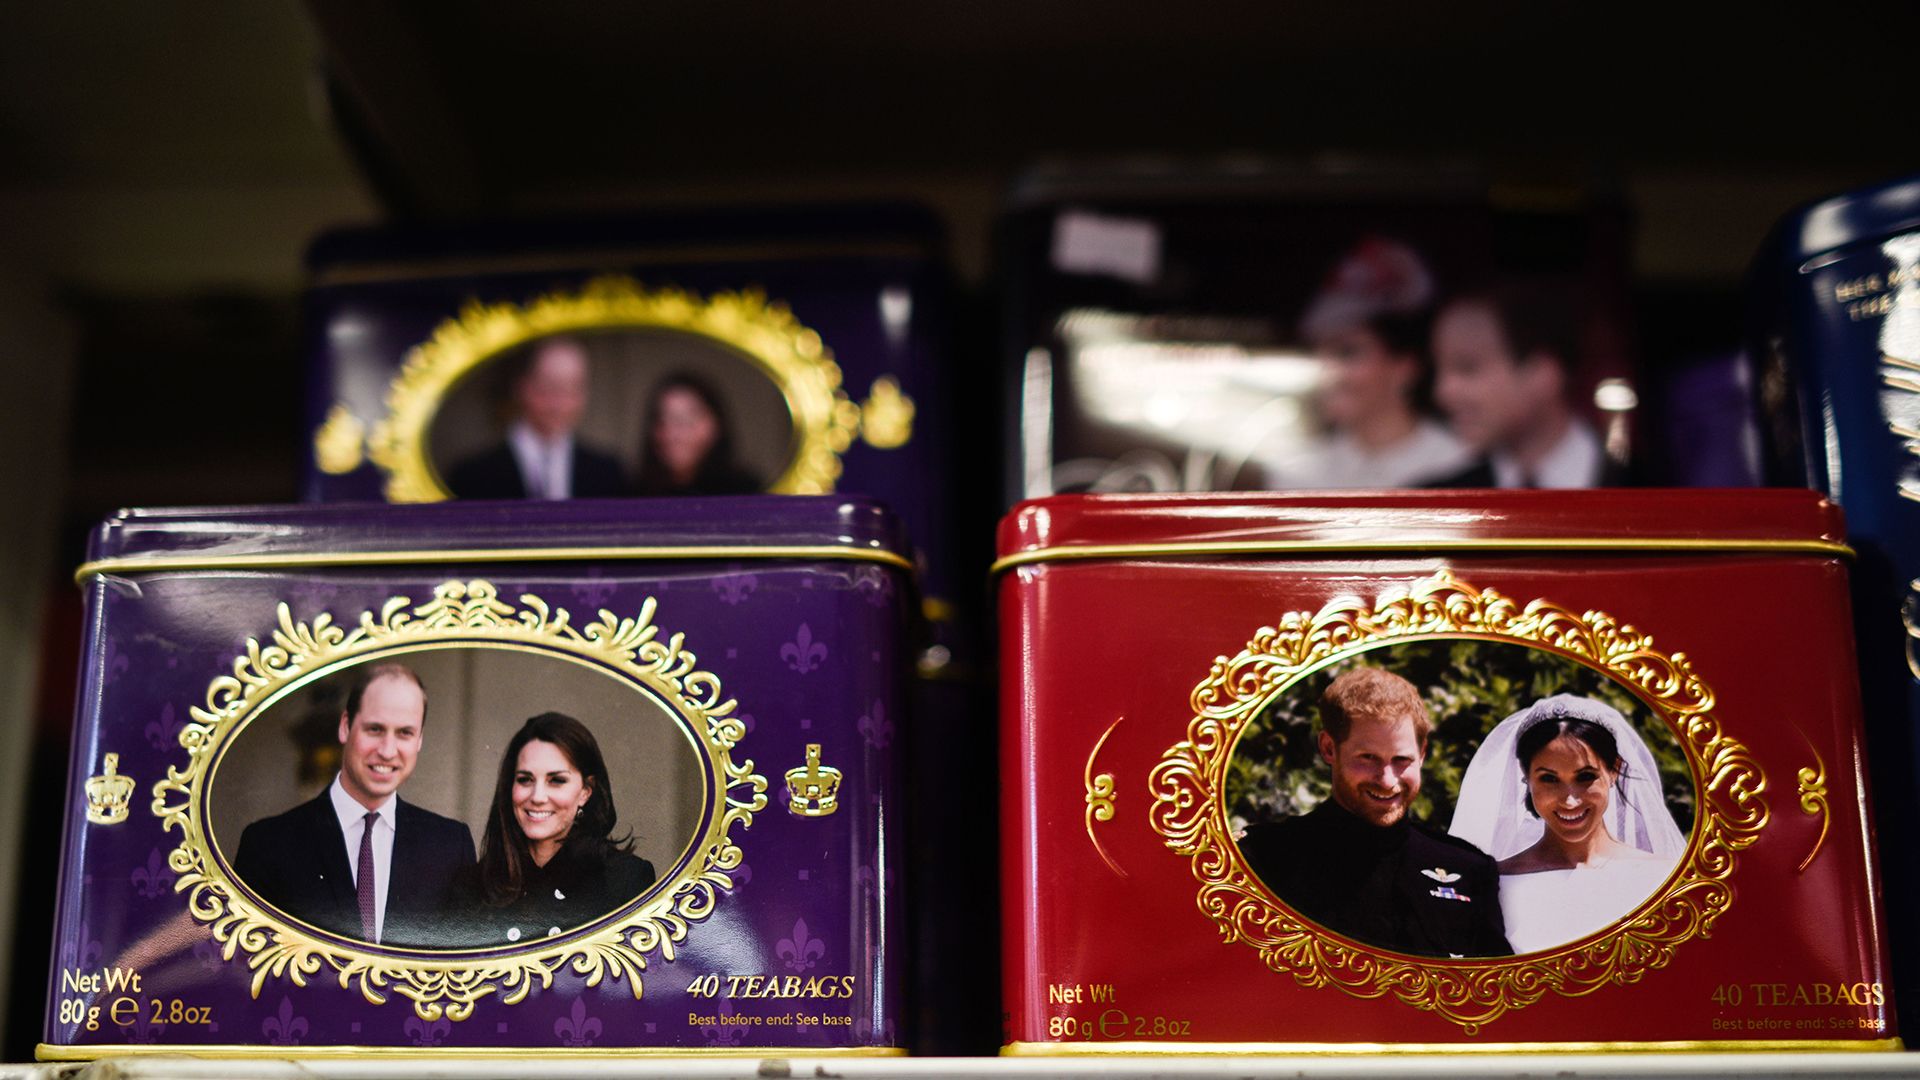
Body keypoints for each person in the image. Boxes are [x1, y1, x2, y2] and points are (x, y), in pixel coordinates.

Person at [1238, 667, 1511, 958]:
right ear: (1329, 748)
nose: (1387, 780)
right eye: (1368, 758)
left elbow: (1495, 983)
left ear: (1422, 754)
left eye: (1401, 759)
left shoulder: (1468, 870)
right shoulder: (1263, 858)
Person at [233, 663, 474, 948]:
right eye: (375, 729)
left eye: (405, 733)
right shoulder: (267, 844)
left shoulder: (451, 847)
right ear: (346, 727)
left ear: (419, 739)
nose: (387, 751)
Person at [1448, 694, 1686, 954]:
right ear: (1527, 777)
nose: (1570, 800)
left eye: (1585, 777)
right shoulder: (1493, 886)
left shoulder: (1663, 878)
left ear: (1614, 771)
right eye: (1549, 779)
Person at [1259, 237, 1472, 489]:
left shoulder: (1461, 464)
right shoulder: (1296, 472)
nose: (1326, 371)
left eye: (1347, 352)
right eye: (1316, 353)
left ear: (1404, 368)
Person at [451, 712, 656, 946]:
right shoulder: (472, 886)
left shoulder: (625, 881)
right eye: (525, 779)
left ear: (585, 791)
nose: (537, 797)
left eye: (556, 780)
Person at [1427, 283, 1611, 488]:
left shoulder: (1635, 482)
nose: (1443, 392)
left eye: (1467, 368)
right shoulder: (1440, 498)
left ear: (1543, 374)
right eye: (1439, 370)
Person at [445, 336, 627, 499]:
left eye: (573, 389)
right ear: (521, 387)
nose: (560, 404)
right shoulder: (473, 475)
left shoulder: (608, 473)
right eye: (549, 388)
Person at [631, 371, 763, 496]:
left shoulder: (747, 492)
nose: (673, 433)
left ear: (717, 424)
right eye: (663, 420)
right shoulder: (632, 493)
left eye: (688, 419)